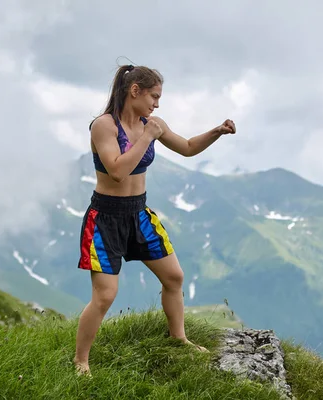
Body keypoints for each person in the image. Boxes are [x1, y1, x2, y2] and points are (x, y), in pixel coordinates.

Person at [72, 64, 236, 376]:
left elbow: (187, 148)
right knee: (105, 295)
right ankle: (81, 360)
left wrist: (217, 132)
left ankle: (178, 338)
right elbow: (117, 172)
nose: (157, 104)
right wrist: (147, 137)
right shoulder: (104, 126)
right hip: (105, 218)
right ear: (135, 91)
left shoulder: (153, 123)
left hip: (139, 213)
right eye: (154, 96)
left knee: (174, 277)